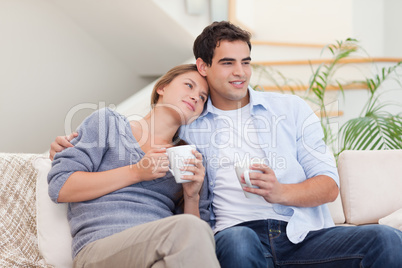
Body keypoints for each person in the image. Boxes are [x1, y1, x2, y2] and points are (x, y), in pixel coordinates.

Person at [51, 21, 402, 267]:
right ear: (203, 66)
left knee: (385, 239)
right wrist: (64, 149)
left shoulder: (288, 110)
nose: (240, 72)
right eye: (228, 62)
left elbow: (329, 186)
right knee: (233, 241)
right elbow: (68, 177)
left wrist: (280, 192)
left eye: (246, 62)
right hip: (236, 237)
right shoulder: (186, 129)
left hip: (303, 237)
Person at [48, 64, 220, 268]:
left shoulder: (192, 159)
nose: (195, 97)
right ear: (162, 88)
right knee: (189, 229)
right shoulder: (108, 124)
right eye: (189, 86)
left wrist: (192, 196)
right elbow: (60, 186)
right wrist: (135, 172)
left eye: (202, 98)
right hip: (99, 250)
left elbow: (198, 244)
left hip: (158, 255)